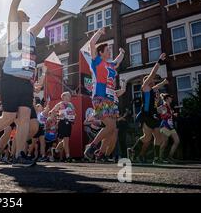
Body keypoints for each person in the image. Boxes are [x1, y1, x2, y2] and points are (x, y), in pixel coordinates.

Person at [0, 0, 64, 167]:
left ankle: (19, 155)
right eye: (25, 15)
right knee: (8, 117)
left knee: (24, 117)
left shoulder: (32, 34)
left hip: (26, 82)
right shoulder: (13, 31)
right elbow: (13, 6)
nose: (29, 17)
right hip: (10, 79)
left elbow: (46, 19)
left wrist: (57, 5)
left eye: (28, 16)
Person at [83, 28, 125, 161]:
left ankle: (100, 154)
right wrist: (99, 33)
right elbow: (91, 44)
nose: (109, 52)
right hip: (100, 97)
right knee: (111, 126)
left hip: (111, 100)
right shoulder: (97, 62)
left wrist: (122, 53)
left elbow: (118, 61)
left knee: (112, 130)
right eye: (107, 50)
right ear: (101, 53)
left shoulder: (111, 65)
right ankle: (91, 147)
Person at [127, 55, 167, 164]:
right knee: (147, 137)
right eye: (150, 79)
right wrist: (159, 61)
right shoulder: (145, 88)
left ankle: (156, 159)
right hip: (146, 115)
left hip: (154, 115)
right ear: (146, 82)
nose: (152, 80)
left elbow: (156, 89)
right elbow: (152, 74)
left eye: (152, 80)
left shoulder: (153, 91)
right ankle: (132, 150)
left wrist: (159, 109)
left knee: (158, 137)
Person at [50, 92, 76, 162]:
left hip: (69, 123)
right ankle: (67, 156)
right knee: (65, 140)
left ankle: (56, 150)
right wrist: (58, 116)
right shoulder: (59, 104)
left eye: (70, 96)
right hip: (62, 123)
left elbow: (73, 113)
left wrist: (73, 117)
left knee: (65, 140)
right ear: (63, 97)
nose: (69, 98)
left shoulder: (71, 104)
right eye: (68, 96)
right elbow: (52, 112)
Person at [158, 93, 180, 163]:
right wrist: (172, 114)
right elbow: (163, 116)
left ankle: (170, 157)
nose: (172, 99)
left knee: (177, 141)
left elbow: (169, 115)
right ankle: (159, 158)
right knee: (165, 142)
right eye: (171, 97)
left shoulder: (170, 107)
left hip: (171, 126)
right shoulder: (163, 106)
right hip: (165, 126)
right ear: (167, 99)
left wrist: (173, 115)